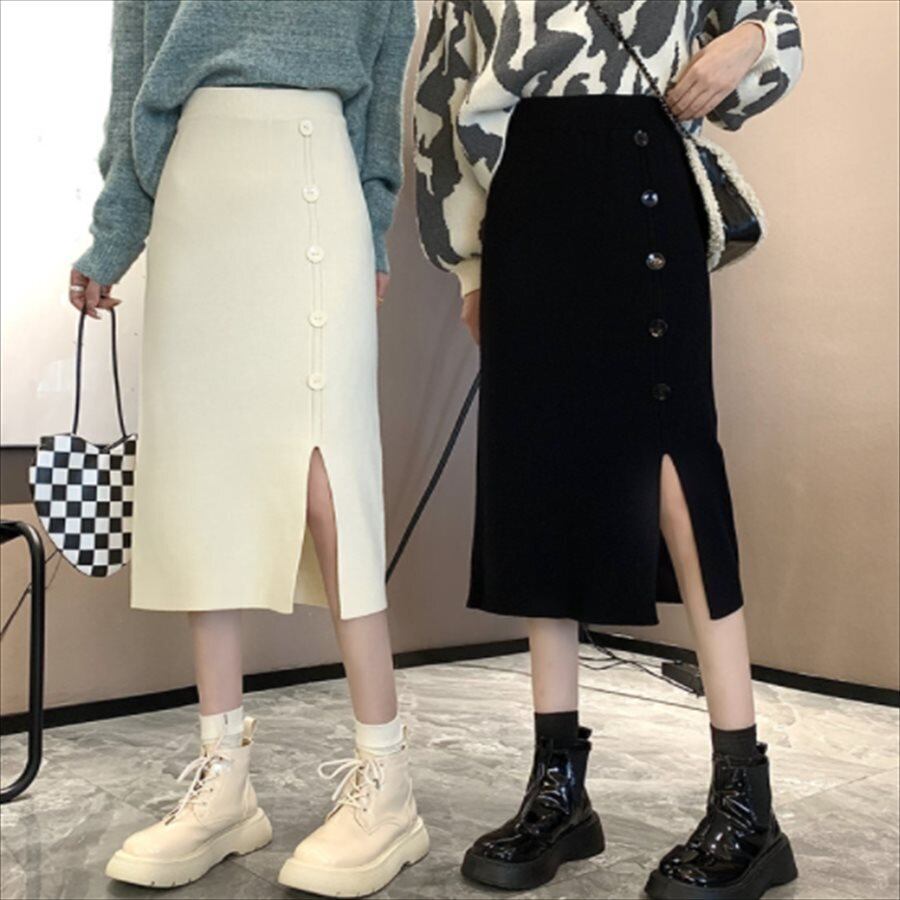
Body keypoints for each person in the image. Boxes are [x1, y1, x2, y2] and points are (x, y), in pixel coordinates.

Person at [414, 2, 803, 898]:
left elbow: (775, 29)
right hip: (527, 207)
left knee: (675, 471)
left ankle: (748, 805)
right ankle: (559, 789)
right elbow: (441, 95)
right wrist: (471, 267)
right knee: (538, 475)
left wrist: (744, 43)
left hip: (643, 186)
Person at [69, 2, 428, 895]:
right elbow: (137, 80)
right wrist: (114, 231)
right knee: (205, 481)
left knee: (329, 483)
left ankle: (387, 784)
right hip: (196, 194)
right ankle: (223, 778)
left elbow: (384, 80)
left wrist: (372, 225)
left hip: (313, 184)